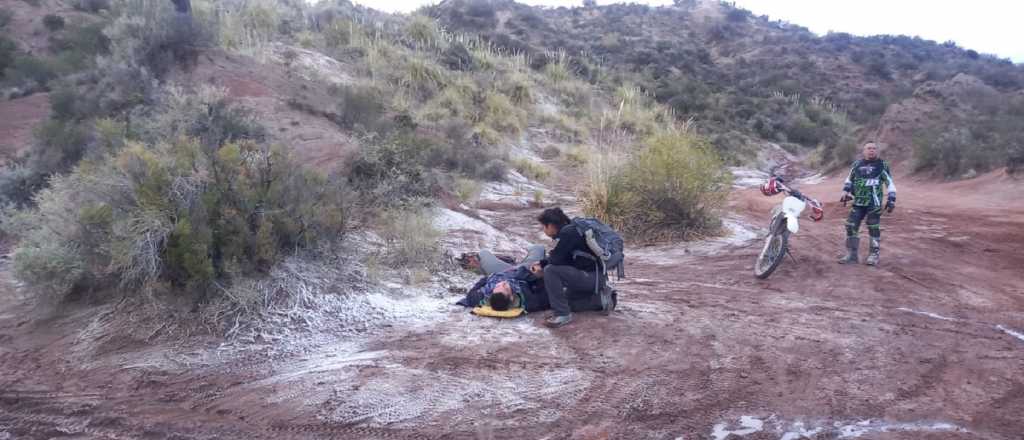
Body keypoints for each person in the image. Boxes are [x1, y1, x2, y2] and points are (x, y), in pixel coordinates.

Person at [536, 207, 615, 328]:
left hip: (591, 277)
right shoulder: (573, 230)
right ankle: (602, 300)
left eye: (543, 226)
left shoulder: (568, 233)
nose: (543, 230)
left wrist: (541, 265)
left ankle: (562, 314)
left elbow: (556, 260)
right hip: (594, 278)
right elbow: (563, 258)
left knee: (550, 271)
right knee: (567, 302)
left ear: (551, 225)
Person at [838, 141, 897, 266]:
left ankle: (874, 255)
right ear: (864, 151)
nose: (871, 150)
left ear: (877, 151)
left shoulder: (882, 165)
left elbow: (890, 183)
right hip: (858, 202)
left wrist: (891, 199)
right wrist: (845, 192)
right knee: (850, 225)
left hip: (874, 203)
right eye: (869, 148)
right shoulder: (856, 164)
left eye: (874, 148)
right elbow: (849, 180)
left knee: (873, 226)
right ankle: (852, 255)